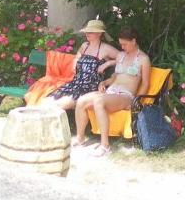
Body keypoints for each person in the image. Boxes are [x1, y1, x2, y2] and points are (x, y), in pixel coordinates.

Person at [73, 26, 151, 156]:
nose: (122, 47)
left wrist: (137, 100)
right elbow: (115, 77)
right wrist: (104, 82)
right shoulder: (120, 56)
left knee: (98, 101)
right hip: (111, 92)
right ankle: (80, 139)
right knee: (82, 100)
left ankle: (105, 146)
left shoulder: (143, 59)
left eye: (125, 44)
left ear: (134, 41)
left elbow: (146, 83)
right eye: (121, 44)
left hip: (126, 96)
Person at [40, 19, 118, 111]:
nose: (87, 33)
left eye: (91, 32)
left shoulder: (106, 48)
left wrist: (108, 63)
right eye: (86, 31)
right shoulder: (85, 45)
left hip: (90, 87)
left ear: (99, 33)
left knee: (59, 105)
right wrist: (75, 62)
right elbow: (78, 56)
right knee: (47, 101)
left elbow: (124, 58)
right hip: (76, 83)